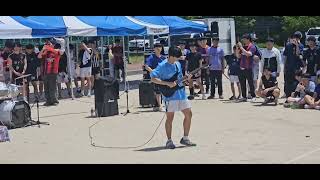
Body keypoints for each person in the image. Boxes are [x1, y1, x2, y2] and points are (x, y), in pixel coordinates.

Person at [150, 46, 196, 149]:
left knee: (189, 114)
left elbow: (179, 79)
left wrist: (187, 79)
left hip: (181, 93)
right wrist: (167, 83)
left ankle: (185, 138)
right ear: (170, 56)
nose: (178, 59)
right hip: (170, 96)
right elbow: (153, 78)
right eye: (176, 57)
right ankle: (169, 140)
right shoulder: (162, 66)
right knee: (170, 118)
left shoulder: (178, 64)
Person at [38, 38, 65, 106]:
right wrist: (43, 49)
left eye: (49, 43)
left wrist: (49, 48)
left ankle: (54, 101)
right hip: (45, 71)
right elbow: (39, 56)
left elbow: (62, 51)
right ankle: (48, 101)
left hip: (53, 71)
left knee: (52, 87)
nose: (47, 45)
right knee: (46, 87)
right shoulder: (45, 52)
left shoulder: (56, 51)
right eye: (46, 43)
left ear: (53, 44)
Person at [145, 43, 166, 111]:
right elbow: (147, 66)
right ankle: (160, 106)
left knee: (163, 91)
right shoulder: (151, 57)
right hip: (156, 77)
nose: (158, 49)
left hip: (163, 76)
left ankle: (158, 105)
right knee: (158, 91)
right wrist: (154, 72)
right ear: (154, 49)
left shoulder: (163, 57)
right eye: (156, 47)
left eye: (160, 47)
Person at [283, 32, 304, 100]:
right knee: (287, 81)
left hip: (297, 67)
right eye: (295, 37)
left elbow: (298, 54)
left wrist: (297, 45)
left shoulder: (301, 45)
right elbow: (285, 56)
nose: (296, 39)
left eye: (297, 37)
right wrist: (284, 67)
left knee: (296, 81)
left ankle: (295, 95)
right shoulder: (288, 45)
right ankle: (287, 95)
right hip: (288, 66)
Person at [236, 34, 257, 102]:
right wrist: (237, 48)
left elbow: (249, 54)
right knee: (242, 83)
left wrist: (241, 47)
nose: (243, 40)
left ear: (248, 39)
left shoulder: (252, 47)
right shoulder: (243, 47)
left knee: (250, 83)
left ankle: (253, 96)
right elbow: (238, 56)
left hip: (249, 68)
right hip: (241, 67)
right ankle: (244, 96)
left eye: (244, 39)